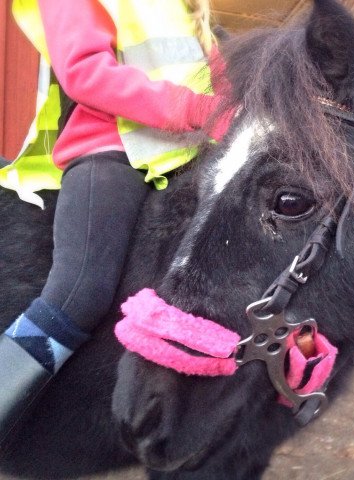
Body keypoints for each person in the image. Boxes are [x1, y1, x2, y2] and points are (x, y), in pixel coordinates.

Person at [0, 0, 231, 443]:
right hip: (112, 150)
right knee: (80, 289)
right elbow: (85, 72)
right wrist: (199, 112)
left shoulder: (189, 8)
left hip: (191, 159)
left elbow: (225, 88)